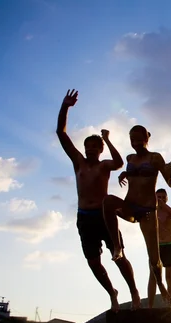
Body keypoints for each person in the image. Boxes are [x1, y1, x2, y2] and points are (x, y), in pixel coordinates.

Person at [56, 89, 140, 311]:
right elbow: (61, 134)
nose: (91, 149)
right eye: (88, 146)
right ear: (84, 149)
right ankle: (112, 293)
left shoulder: (104, 166)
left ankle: (134, 292)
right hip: (84, 218)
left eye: (96, 146)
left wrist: (107, 140)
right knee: (94, 262)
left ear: (101, 150)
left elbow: (119, 163)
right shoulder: (78, 162)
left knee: (119, 257)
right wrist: (65, 107)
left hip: (104, 217)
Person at [102, 125, 171, 305]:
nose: (135, 142)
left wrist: (170, 172)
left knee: (154, 259)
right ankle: (117, 247)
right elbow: (133, 172)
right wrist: (125, 172)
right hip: (130, 207)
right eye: (132, 139)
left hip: (148, 211)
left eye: (138, 139)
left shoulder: (155, 157)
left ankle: (160, 284)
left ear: (146, 139)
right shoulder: (130, 158)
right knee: (108, 202)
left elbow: (170, 183)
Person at [146, 188, 171, 308]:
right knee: (153, 277)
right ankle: (150, 306)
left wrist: (161, 204)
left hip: (169, 246)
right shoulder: (151, 212)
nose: (161, 199)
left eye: (163, 197)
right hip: (157, 247)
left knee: (170, 277)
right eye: (158, 197)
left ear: (166, 198)